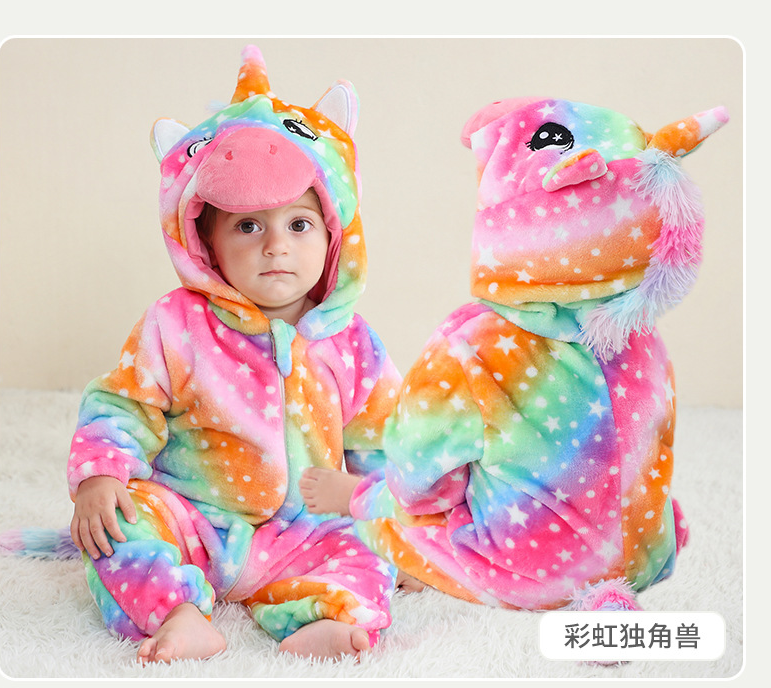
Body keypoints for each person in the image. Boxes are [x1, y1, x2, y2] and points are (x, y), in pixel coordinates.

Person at [301, 98, 728, 613]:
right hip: (648, 557)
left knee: (388, 518)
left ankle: (360, 503)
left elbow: (420, 480)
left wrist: (381, 498)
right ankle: (634, 552)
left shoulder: (473, 346)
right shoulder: (643, 337)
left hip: (532, 574)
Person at [67, 45, 401, 664]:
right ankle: (178, 613)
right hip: (193, 518)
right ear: (207, 243)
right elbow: (122, 405)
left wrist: (385, 506)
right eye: (248, 226)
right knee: (116, 524)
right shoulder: (176, 323)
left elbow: (381, 442)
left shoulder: (353, 342)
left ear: (334, 236)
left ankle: (327, 615)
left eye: (298, 225)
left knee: (373, 543)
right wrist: (100, 475)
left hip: (304, 529)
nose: (276, 246)